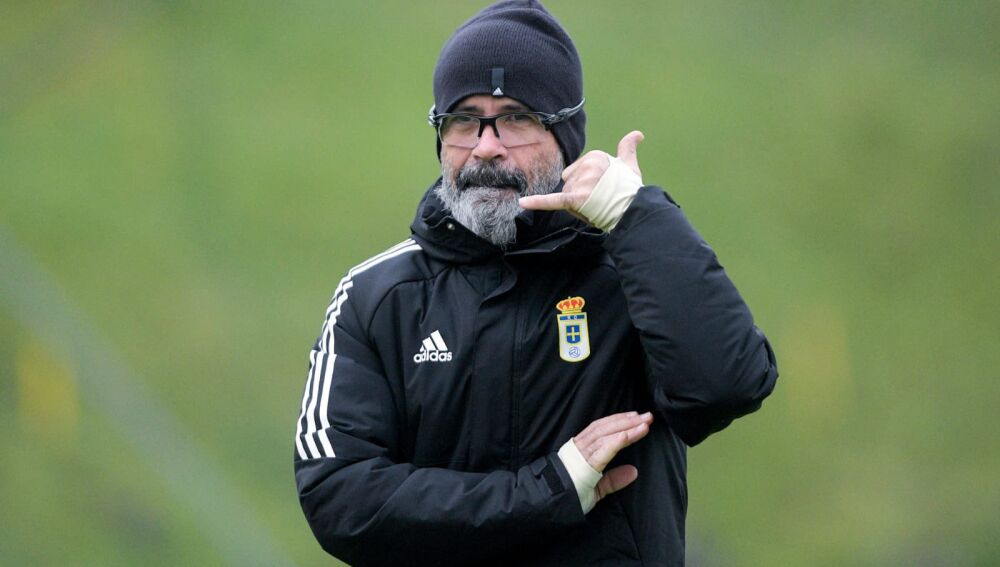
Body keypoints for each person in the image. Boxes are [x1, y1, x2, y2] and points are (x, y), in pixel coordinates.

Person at [293, 1, 778, 565]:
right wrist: (551, 487)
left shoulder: (634, 274)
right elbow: (339, 497)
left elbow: (727, 387)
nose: (486, 145)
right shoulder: (376, 296)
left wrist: (639, 215)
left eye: (517, 118)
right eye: (464, 120)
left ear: (565, 136)